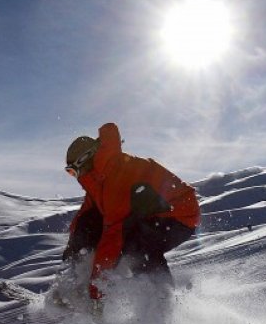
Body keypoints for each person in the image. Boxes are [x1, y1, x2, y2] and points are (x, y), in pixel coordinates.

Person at [63, 122, 200, 301]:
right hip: (150, 212)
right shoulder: (99, 179)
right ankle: (77, 285)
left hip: (178, 214)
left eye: (73, 171)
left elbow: (114, 234)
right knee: (90, 223)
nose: (74, 176)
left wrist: (97, 288)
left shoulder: (115, 174)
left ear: (85, 160)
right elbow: (87, 214)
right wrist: (73, 246)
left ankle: (161, 300)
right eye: (70, 172)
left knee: (136, 246)